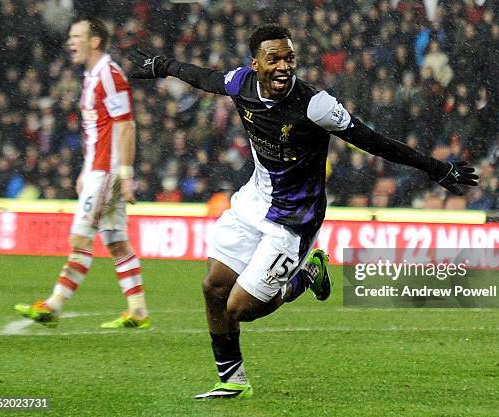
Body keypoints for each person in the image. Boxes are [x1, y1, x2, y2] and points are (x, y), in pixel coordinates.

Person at [128, 24, 478, 398]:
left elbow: (372, 141)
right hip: (254, 202)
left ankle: (306, 274)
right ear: (255, 64)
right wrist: (161, 66)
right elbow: (203, 78)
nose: (283, 66)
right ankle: (231, 379)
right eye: (273, 58)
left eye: (289, 58)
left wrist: (436, 167)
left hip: (294, 219)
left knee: (240, 308)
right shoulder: (240, 83)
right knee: (213, 286)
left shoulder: (316, 105)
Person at [15, 17, 150, 329]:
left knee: (80, 238)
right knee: (116, 242)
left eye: (77, 36)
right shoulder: (92, 76)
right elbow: (98, 130)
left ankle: (52, 305)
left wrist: (125, 174)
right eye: (70, 37)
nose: (70, 42)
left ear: (95, 41)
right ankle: (138, 310)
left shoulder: (110, 75)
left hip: (107, 171)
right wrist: (84, 171)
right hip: (97, 169)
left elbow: (126, 124)